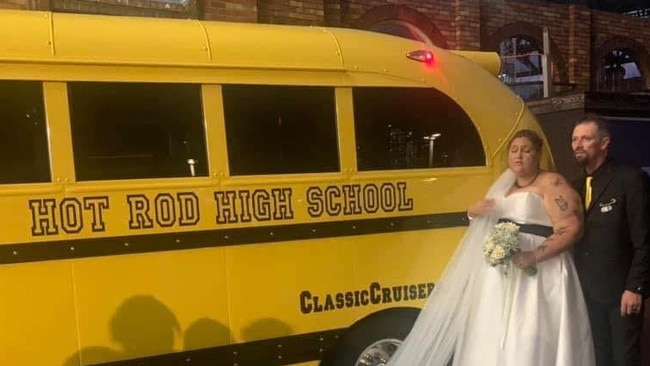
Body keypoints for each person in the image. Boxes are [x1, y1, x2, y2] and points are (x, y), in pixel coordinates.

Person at [386, 129, 595, 366]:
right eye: (514, 151)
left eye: (526, 150)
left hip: (540, 273)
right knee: (491, 333)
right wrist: (472, 213)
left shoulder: (552, 183)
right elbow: (486, 221)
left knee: (528, 332)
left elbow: (571, 227)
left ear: (538, 154)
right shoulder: (503, 186)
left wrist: (534, 255)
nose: (519, 156)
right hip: (500, 275)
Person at [571, 114, 650, 366]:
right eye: (574, 139)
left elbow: (645, 238)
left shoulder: (630, 179)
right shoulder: (573, 187)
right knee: (599, 358)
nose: (577, 145)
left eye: (585, 138)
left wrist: (635, 287)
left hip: (621, 294)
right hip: (587, 292)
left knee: (625, 360)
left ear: (604, 143)